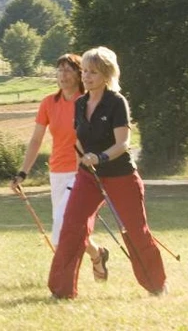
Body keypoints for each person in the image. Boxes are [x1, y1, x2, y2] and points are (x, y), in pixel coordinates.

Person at [48, 47, 166, 299]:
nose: (87, 76)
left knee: (135, 232)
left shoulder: (116, 102)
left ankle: (156, 285)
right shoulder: (80, 104)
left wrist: (100, 157)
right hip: (87, 176)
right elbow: (78, 140)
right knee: (71, 227)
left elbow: (123, 143)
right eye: (85, 71)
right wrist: (85, 159)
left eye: (94, 72)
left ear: (107, 74)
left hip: (120, 174)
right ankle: (61, 291)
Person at [11, 53, 107, 280]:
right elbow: (36, 140)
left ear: (79, 74)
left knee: (63, 228)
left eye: (69, 69)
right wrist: (22, 172)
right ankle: (97, 254)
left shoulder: (88, 102)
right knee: (68, 226)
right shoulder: (49, 103)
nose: (63, 75)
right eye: (60, 70)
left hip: (82, 173)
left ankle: (63, 281)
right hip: (57, 173)